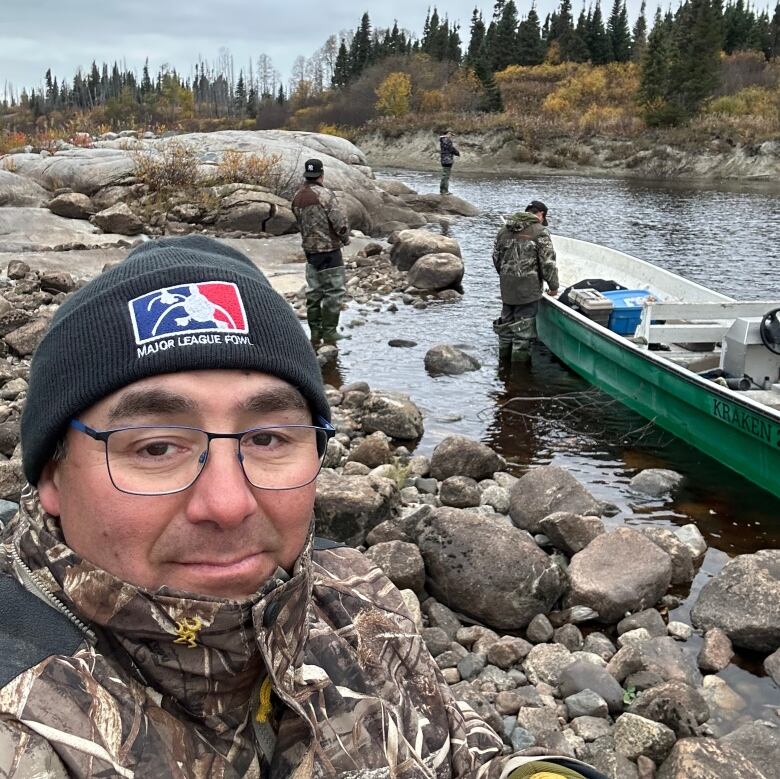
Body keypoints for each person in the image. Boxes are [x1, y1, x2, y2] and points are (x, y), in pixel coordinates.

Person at [0, 235, 605, 778]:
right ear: (51, 474)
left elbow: (453, 753)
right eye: (157, 447)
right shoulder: (23, 717)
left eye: (267, 439)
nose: (229, 504)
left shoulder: (352, 597)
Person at [291, 157, 350, 345]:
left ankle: (315, 333)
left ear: (306, 175)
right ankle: (330, 332)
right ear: (321, 175)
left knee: (314, 292)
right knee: (334, 291)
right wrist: (345, 238)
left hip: (310, 250)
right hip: (329, 250)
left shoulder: (297, 197)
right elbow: (339, 222)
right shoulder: (325, 195)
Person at [492, 200, 559, 362]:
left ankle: (503, 370)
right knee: (523, 332)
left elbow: (496, 258)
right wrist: (553, 287)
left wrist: (505, 277)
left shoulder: (504, 230)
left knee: (505, 327)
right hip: (528, 290)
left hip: (507, 287)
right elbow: (548, 263)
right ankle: (519, 372)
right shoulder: (540, 231)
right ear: (541, 214)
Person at [439, 128, 460, 195]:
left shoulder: (442, 140)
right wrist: (457, 153)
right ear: (448, 133)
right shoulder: (446, 140)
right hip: (447, 160)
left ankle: (442, 190)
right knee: (446, 176)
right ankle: (444, 191)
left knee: (445, 175)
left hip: (444, 159)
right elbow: (451, 149)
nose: (451, 136)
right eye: (451, 134)